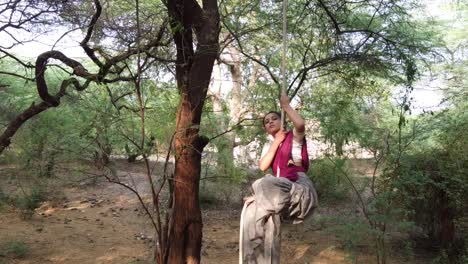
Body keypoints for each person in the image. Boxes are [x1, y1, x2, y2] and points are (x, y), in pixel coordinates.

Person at [239, 91, 318, 264]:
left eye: (274, 118)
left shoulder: (294, 138)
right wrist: (276, 141)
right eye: (266, 122)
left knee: (264, 182)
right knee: (251, 212)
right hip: (280, 194)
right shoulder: (270, 145)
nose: (270, 122)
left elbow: (301, 125)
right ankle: (257, 257)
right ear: (265, 129)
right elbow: (262, 166)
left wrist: (286, 106)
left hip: (300, 191)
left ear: (282, 120)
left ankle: (256, 233)